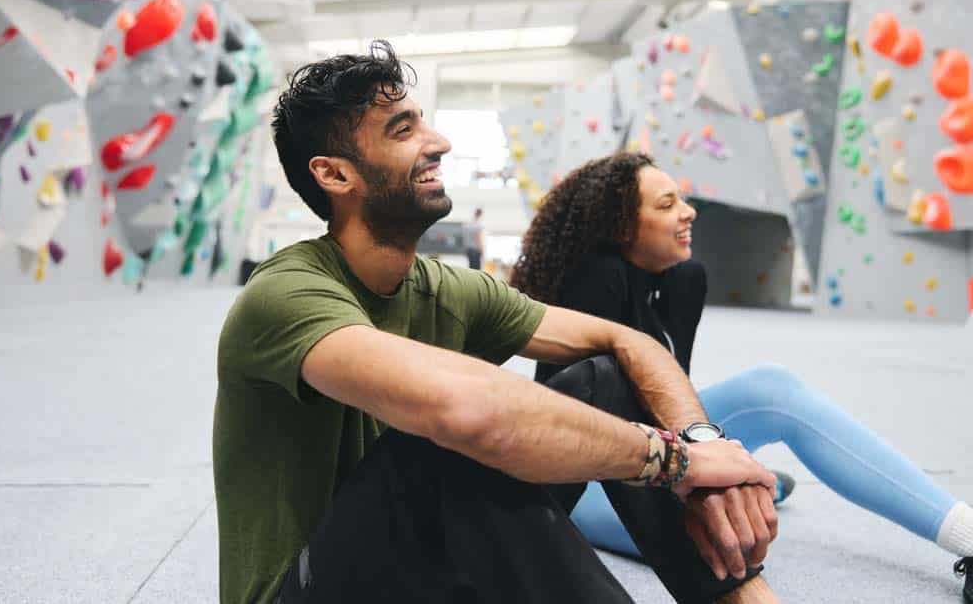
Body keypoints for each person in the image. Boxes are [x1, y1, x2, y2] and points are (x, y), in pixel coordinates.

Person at [213, 41, 785, 604]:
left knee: (602, 377)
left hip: (427, 566)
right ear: (335, 176)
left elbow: (627, 343)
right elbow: (465, 411)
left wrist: (703, 449)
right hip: (308, 591)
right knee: (448, 443)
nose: (439, 142)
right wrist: (672, 462)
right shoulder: (286, 294)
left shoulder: (448, 287)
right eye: (403, 130)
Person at [510, 151, 973, 603]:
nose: (688, 213)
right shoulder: (596, 279)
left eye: (683, 199)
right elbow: (608, 413)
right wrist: (724, 477)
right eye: (666, 205)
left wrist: (717, 460)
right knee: (736, 520)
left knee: (770, 388)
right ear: (620, 227)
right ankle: (757, 481)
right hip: (597, 476)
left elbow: (675, 392)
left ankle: (967, 536)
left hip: (667, 441)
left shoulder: (684, 278)